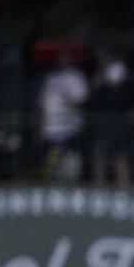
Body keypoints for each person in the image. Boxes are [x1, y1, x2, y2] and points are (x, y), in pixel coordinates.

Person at [87, 53, 134, 186]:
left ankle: (124, 191)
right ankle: (99, 190)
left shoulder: (130, 86)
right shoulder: (99, 83)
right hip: (102, 127)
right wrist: (100, 79)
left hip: (121, 129)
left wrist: (133, 118)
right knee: (99, 160)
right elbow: (90, 100)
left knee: (121, 160)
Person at [39, 46, 89, 180]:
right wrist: (42, 127)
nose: (61, 59)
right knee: (51, 164)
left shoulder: (76, 76)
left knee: (71, 165)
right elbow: (44, 105)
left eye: (65, 56)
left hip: (70, 130)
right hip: (51, 130)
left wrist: (67, 102)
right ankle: (50, 189)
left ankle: (71, 190)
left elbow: (82, 100)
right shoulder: (50, 77)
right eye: (59, 57)